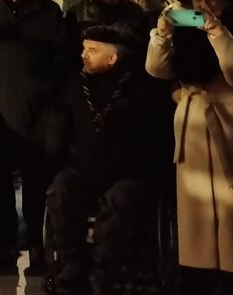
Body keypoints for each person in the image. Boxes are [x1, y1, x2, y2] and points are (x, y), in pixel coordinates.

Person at [146, 0, 233, 294]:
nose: (202, 7)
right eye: (197, 1)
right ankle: (197, 274)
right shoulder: (184, 31)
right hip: (193, 120)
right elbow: (156, 69)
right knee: (195, 207)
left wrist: (217, 31)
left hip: (229, 121)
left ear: (224, 0)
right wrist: (162, 34)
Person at [0, 0, 80, 274]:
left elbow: (64, 58)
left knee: (36, 183)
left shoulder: (47, 11)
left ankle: (36, 243)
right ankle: (5, 241)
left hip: (38, 113)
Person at [45, 25, 174, 295]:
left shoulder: (143, 89)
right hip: (84, 168)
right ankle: (72, 264)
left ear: (113, 58)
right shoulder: (74, 85)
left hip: (129, 173)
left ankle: (102, 270)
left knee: (119, 202)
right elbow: (58, 127)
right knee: (60, 191)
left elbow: (157, 140)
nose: (83, 55)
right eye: (83, 49)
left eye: (92, 50)